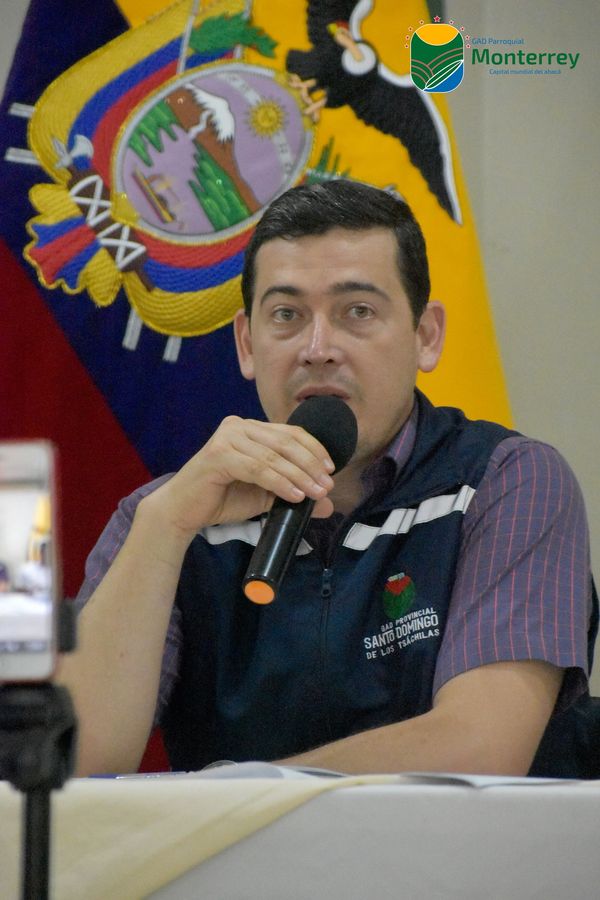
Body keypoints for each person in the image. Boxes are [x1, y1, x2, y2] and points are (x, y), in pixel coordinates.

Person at [61, 179, 596, 777]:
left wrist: (239, 794)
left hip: (451, 845)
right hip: (238, 842)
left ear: (425, 337)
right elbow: (74, 764)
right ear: (247, 344)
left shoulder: (504, 481)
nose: (318, 348)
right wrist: (164, 527)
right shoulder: (167, 513)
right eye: (286, 316)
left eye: (357, 312)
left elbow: (480, 749)